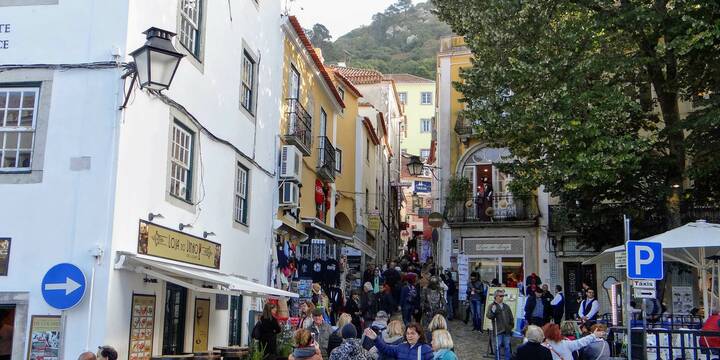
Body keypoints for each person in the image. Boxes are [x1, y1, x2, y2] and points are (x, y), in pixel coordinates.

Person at [363, 323, 433, 360]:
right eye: (408, 333)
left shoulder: (426, 349)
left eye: (412, 333)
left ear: (419, 335)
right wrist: (375, 338)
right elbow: (386, 348)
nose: (409, 336)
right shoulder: (401, 346)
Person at [486, 289, 513, 360]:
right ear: (496, 296)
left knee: (507, 347)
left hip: (507, 330)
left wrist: (510, 327)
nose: (502, 297)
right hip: (498, 330)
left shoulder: (506, 306)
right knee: (497, 347)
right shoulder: (492, 306)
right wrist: (493, 311)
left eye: (503, 296)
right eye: (500, 296)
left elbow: (511, 317)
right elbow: (489, 316)